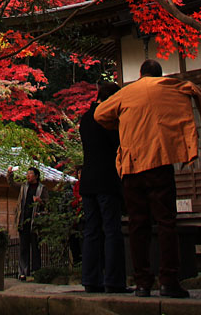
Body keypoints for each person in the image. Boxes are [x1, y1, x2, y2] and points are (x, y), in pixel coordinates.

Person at [93, 59, 201, 299]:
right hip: (159, 162)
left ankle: (143, 283)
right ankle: (169, 281)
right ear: (159, 74)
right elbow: (195, 90)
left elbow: (100, 113)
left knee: (137, 224)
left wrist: (119, 123)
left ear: (141, 74)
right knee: (166, 222)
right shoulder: (171, 86)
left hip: (132, 166)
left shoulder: (127, 92)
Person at [79, 82, 128, 294]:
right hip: (107, 179)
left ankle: (91, 279)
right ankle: (114, 281)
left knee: (91, 230)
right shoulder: (107, 118)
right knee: (111, 230)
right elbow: (118, 144)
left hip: (88, 180)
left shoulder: (85, 119)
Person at [7, 166, 46, 280]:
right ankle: (23, 272)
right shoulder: (24, 186)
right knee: (23, 247)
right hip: (24, 220)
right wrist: (9, 174)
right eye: (27, 173)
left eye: (30, 174)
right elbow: (12, 184)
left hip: (35, 222)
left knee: (35, 247)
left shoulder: (42, 188)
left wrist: (40, 201)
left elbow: (48, 203)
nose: (28, 175)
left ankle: (36, 272)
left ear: (36, 176)